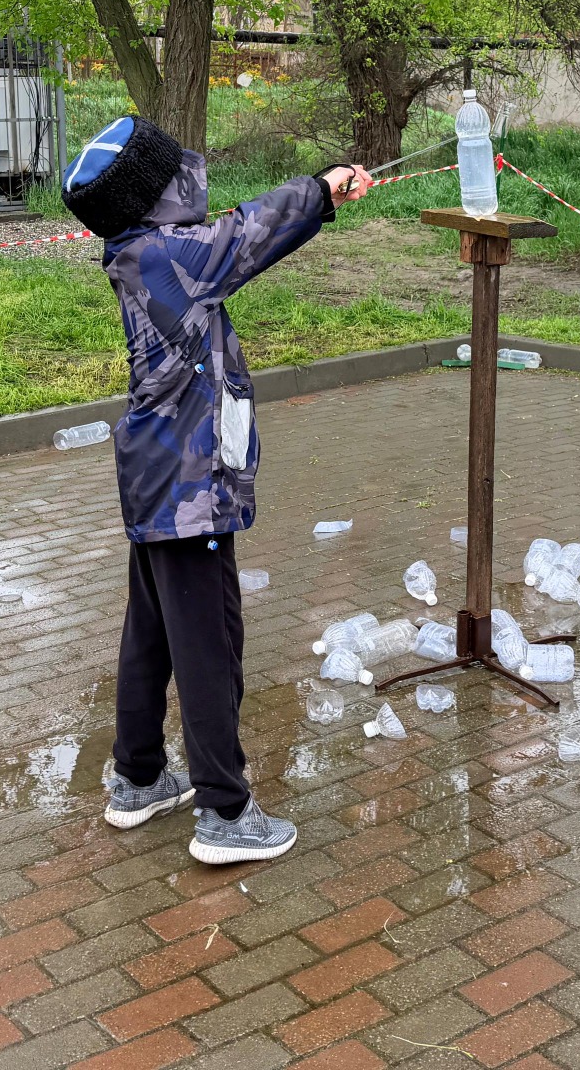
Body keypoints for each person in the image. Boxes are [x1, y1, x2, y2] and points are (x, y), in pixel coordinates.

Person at [60, 114, 371, 862]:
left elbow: (233, 232)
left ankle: (138, 779)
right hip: (188, 486)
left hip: (158, 480)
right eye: (172, 172)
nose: (187, 177)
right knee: (209, 644)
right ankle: (226, 815)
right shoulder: (168, 254)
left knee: (153, 635)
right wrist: (323, 188)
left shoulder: (139, 248)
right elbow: (248, 234)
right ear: (152, 193)